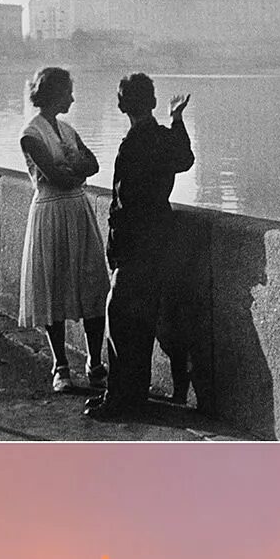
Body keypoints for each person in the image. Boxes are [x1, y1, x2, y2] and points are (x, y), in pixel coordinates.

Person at [85, 74, 194, 420]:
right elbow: (185, 159)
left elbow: (124, 204)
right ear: (151, 102)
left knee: (119, 322)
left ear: (122, 105)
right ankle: (133, 397)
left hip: (134, 244)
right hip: (159, 238)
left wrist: (115, 248)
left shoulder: (133, 143)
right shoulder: (161, 138)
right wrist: (176, 119)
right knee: (143, 324)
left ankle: (119, 399)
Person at [18, 67, 109, 393]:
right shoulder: (31, 134)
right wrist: (75, 170)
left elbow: (93, 164)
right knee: (53, 287)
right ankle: (61, 366)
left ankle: (94, 362)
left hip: (76, 209)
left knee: (92, 283)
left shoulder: (67, 130)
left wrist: (74, 169)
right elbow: (59, 177)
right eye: (68, 92)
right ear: (54, 93)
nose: (72, 97)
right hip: (51, 212)